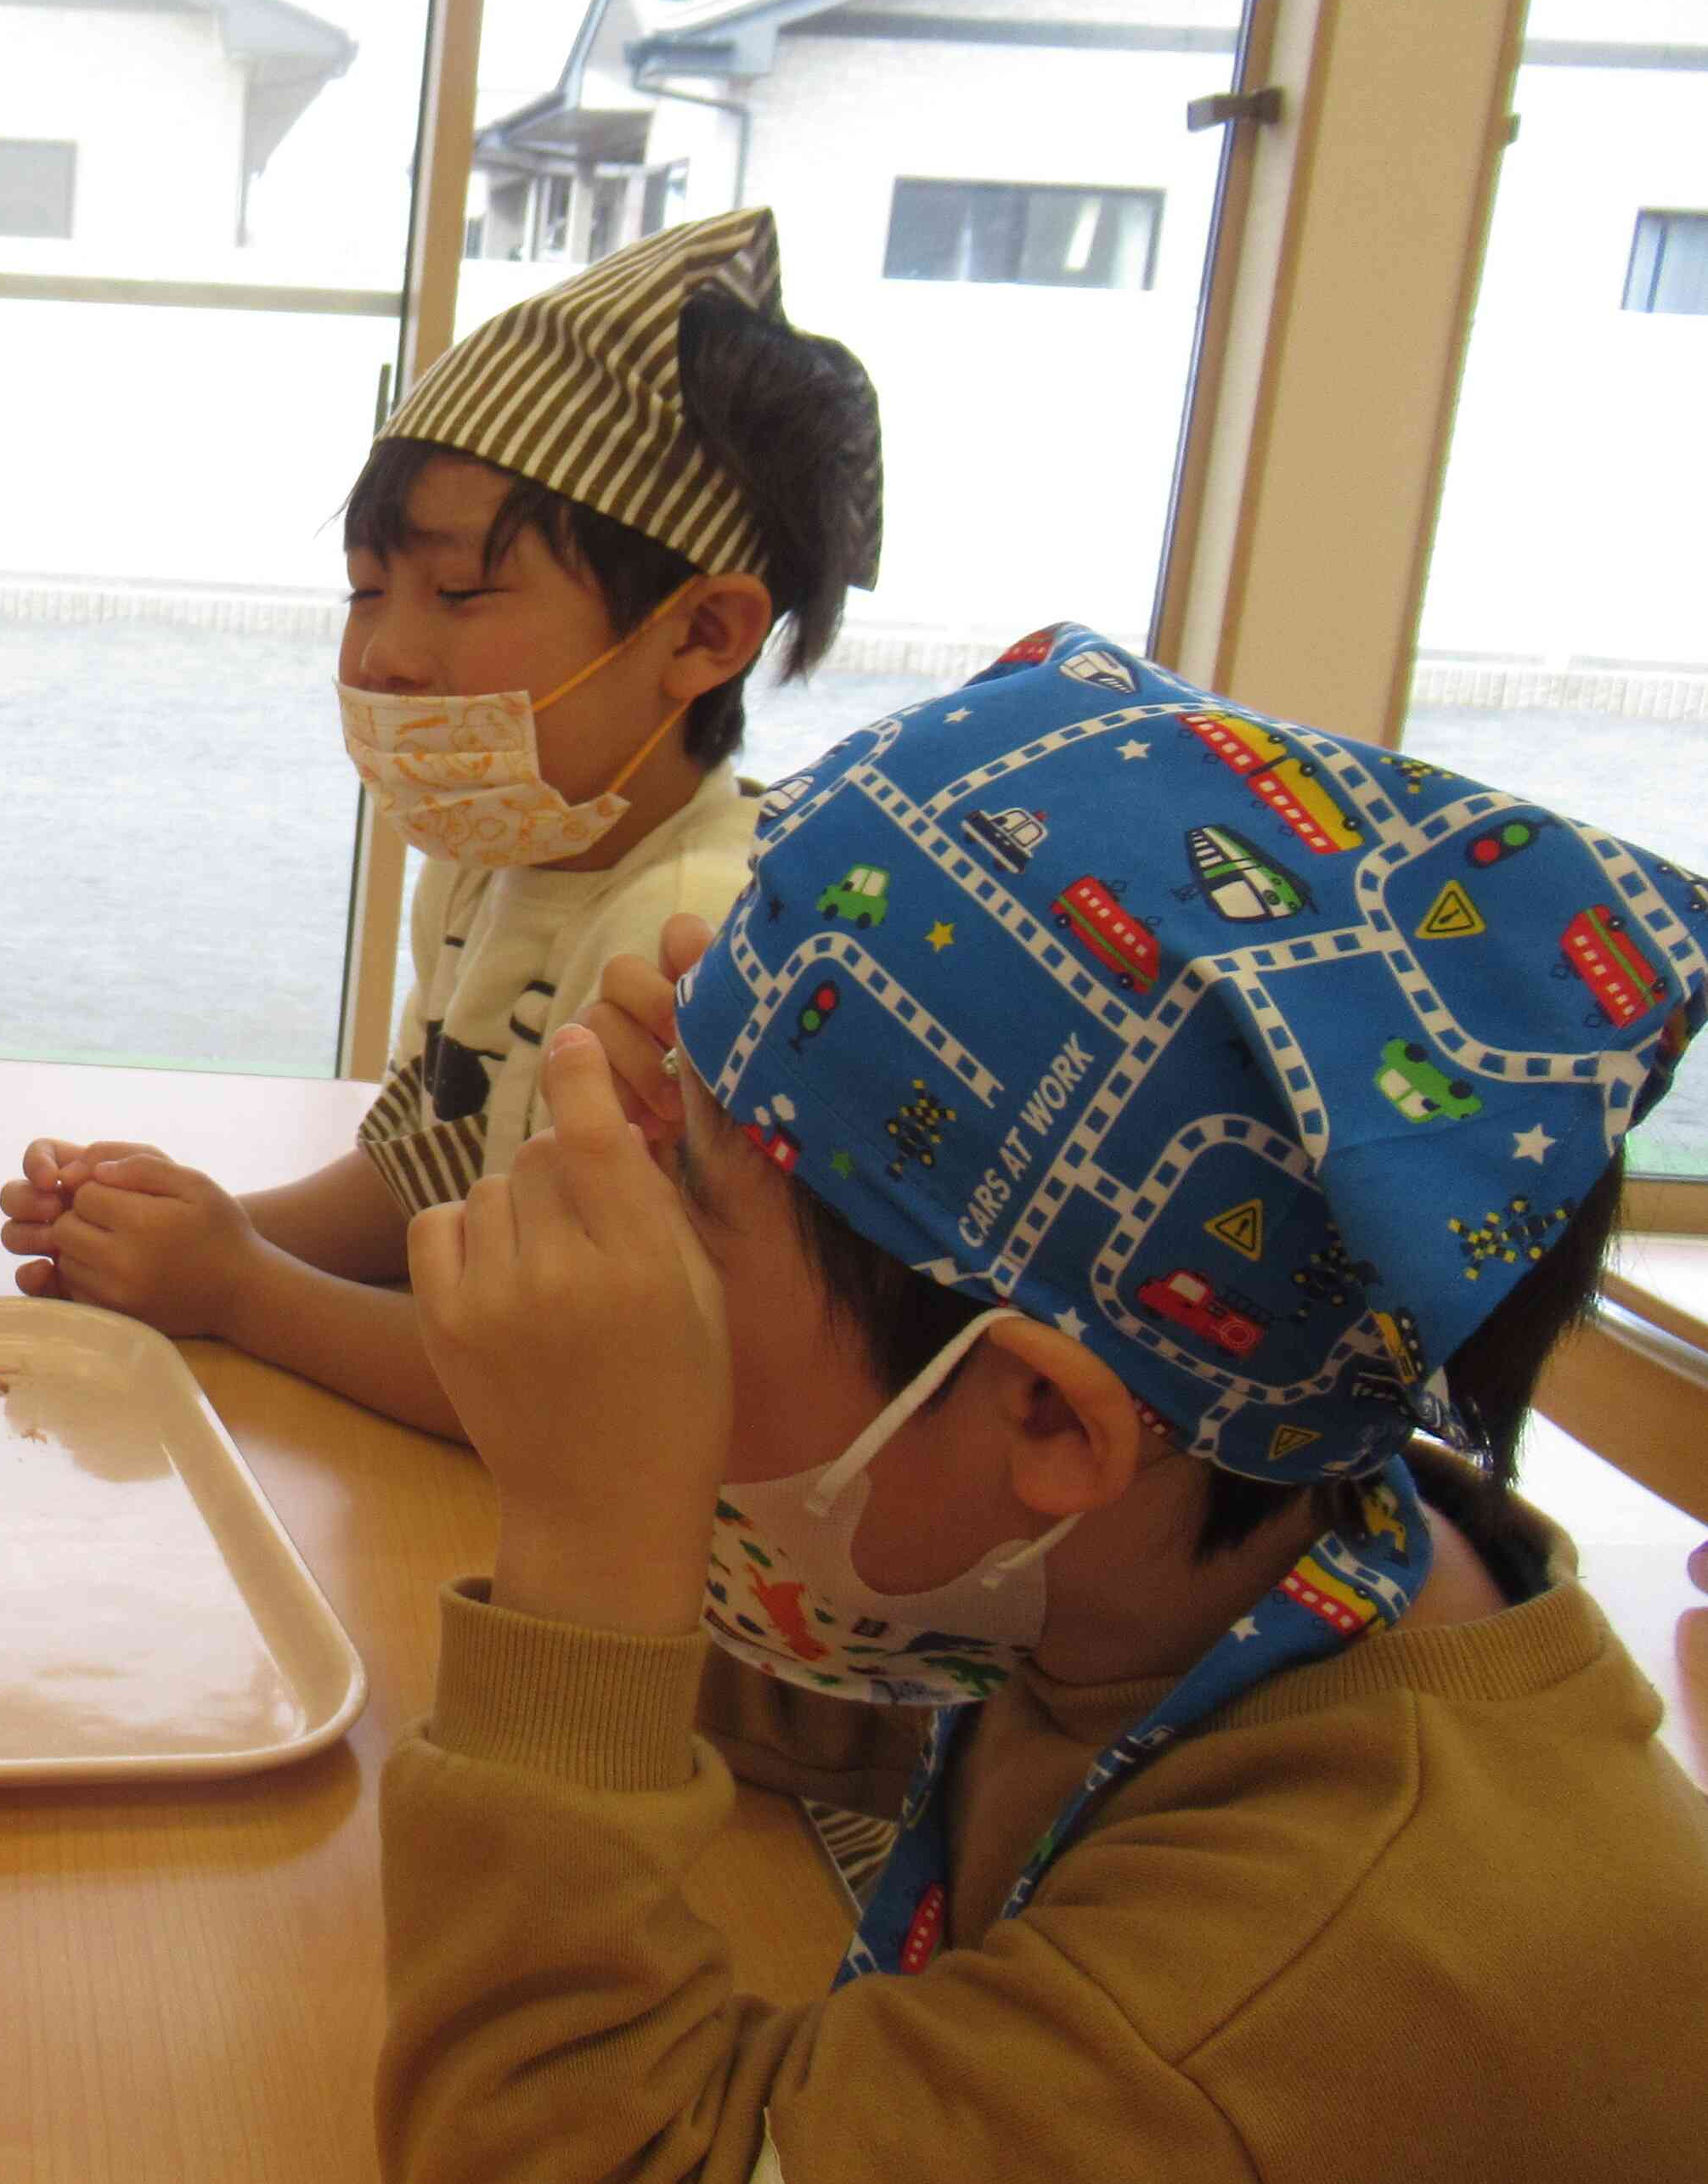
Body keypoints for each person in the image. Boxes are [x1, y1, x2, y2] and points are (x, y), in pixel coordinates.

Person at [384, 625, 1708, 2180]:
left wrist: (585, 1564)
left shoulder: (1273, 1980)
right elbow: (868, 1701)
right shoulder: (1206, 1532)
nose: (632, 1247)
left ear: (1052, 1424)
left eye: (688, 1223)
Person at [0, 208, 883, 1434]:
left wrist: (242, 1290)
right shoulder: (499, 852)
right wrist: (196, 1224)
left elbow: (579, 1387)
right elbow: (441, 1156)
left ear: (700, 633)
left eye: (460, 592)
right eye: (367, 590)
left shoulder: (687, 942)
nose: (388, 653)